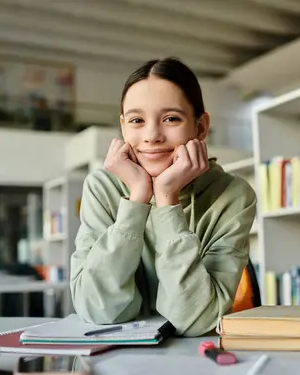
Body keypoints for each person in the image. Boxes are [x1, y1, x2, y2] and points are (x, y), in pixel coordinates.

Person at [70, 57, 257, 337]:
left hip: (198, 362)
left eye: (171, 118)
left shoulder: (232, 195)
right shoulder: (101, 187)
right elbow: (98, 310)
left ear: (201, 127)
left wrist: (166, 198)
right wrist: (138, 200)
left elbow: (195, 321)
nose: (152, 136)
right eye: (137, 120)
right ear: (123, 127)